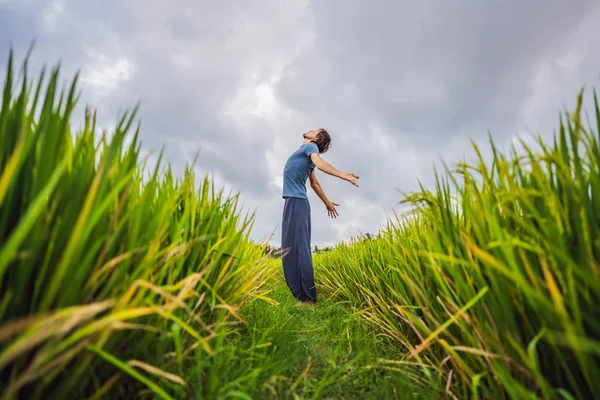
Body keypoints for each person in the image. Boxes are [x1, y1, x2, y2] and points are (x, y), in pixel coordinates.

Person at [281, 128, 359, 306]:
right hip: (293, 202)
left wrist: (342, 174)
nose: (310, 129)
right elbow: (314, 183)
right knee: (290, 249)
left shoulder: (311, 148)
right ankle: (301, 295)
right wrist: (327, 203)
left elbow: (321, 163)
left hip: (297, 203)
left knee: (300, 249)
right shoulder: (304, 153)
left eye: (315, 130)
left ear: (315, 138)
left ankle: (309, 298)